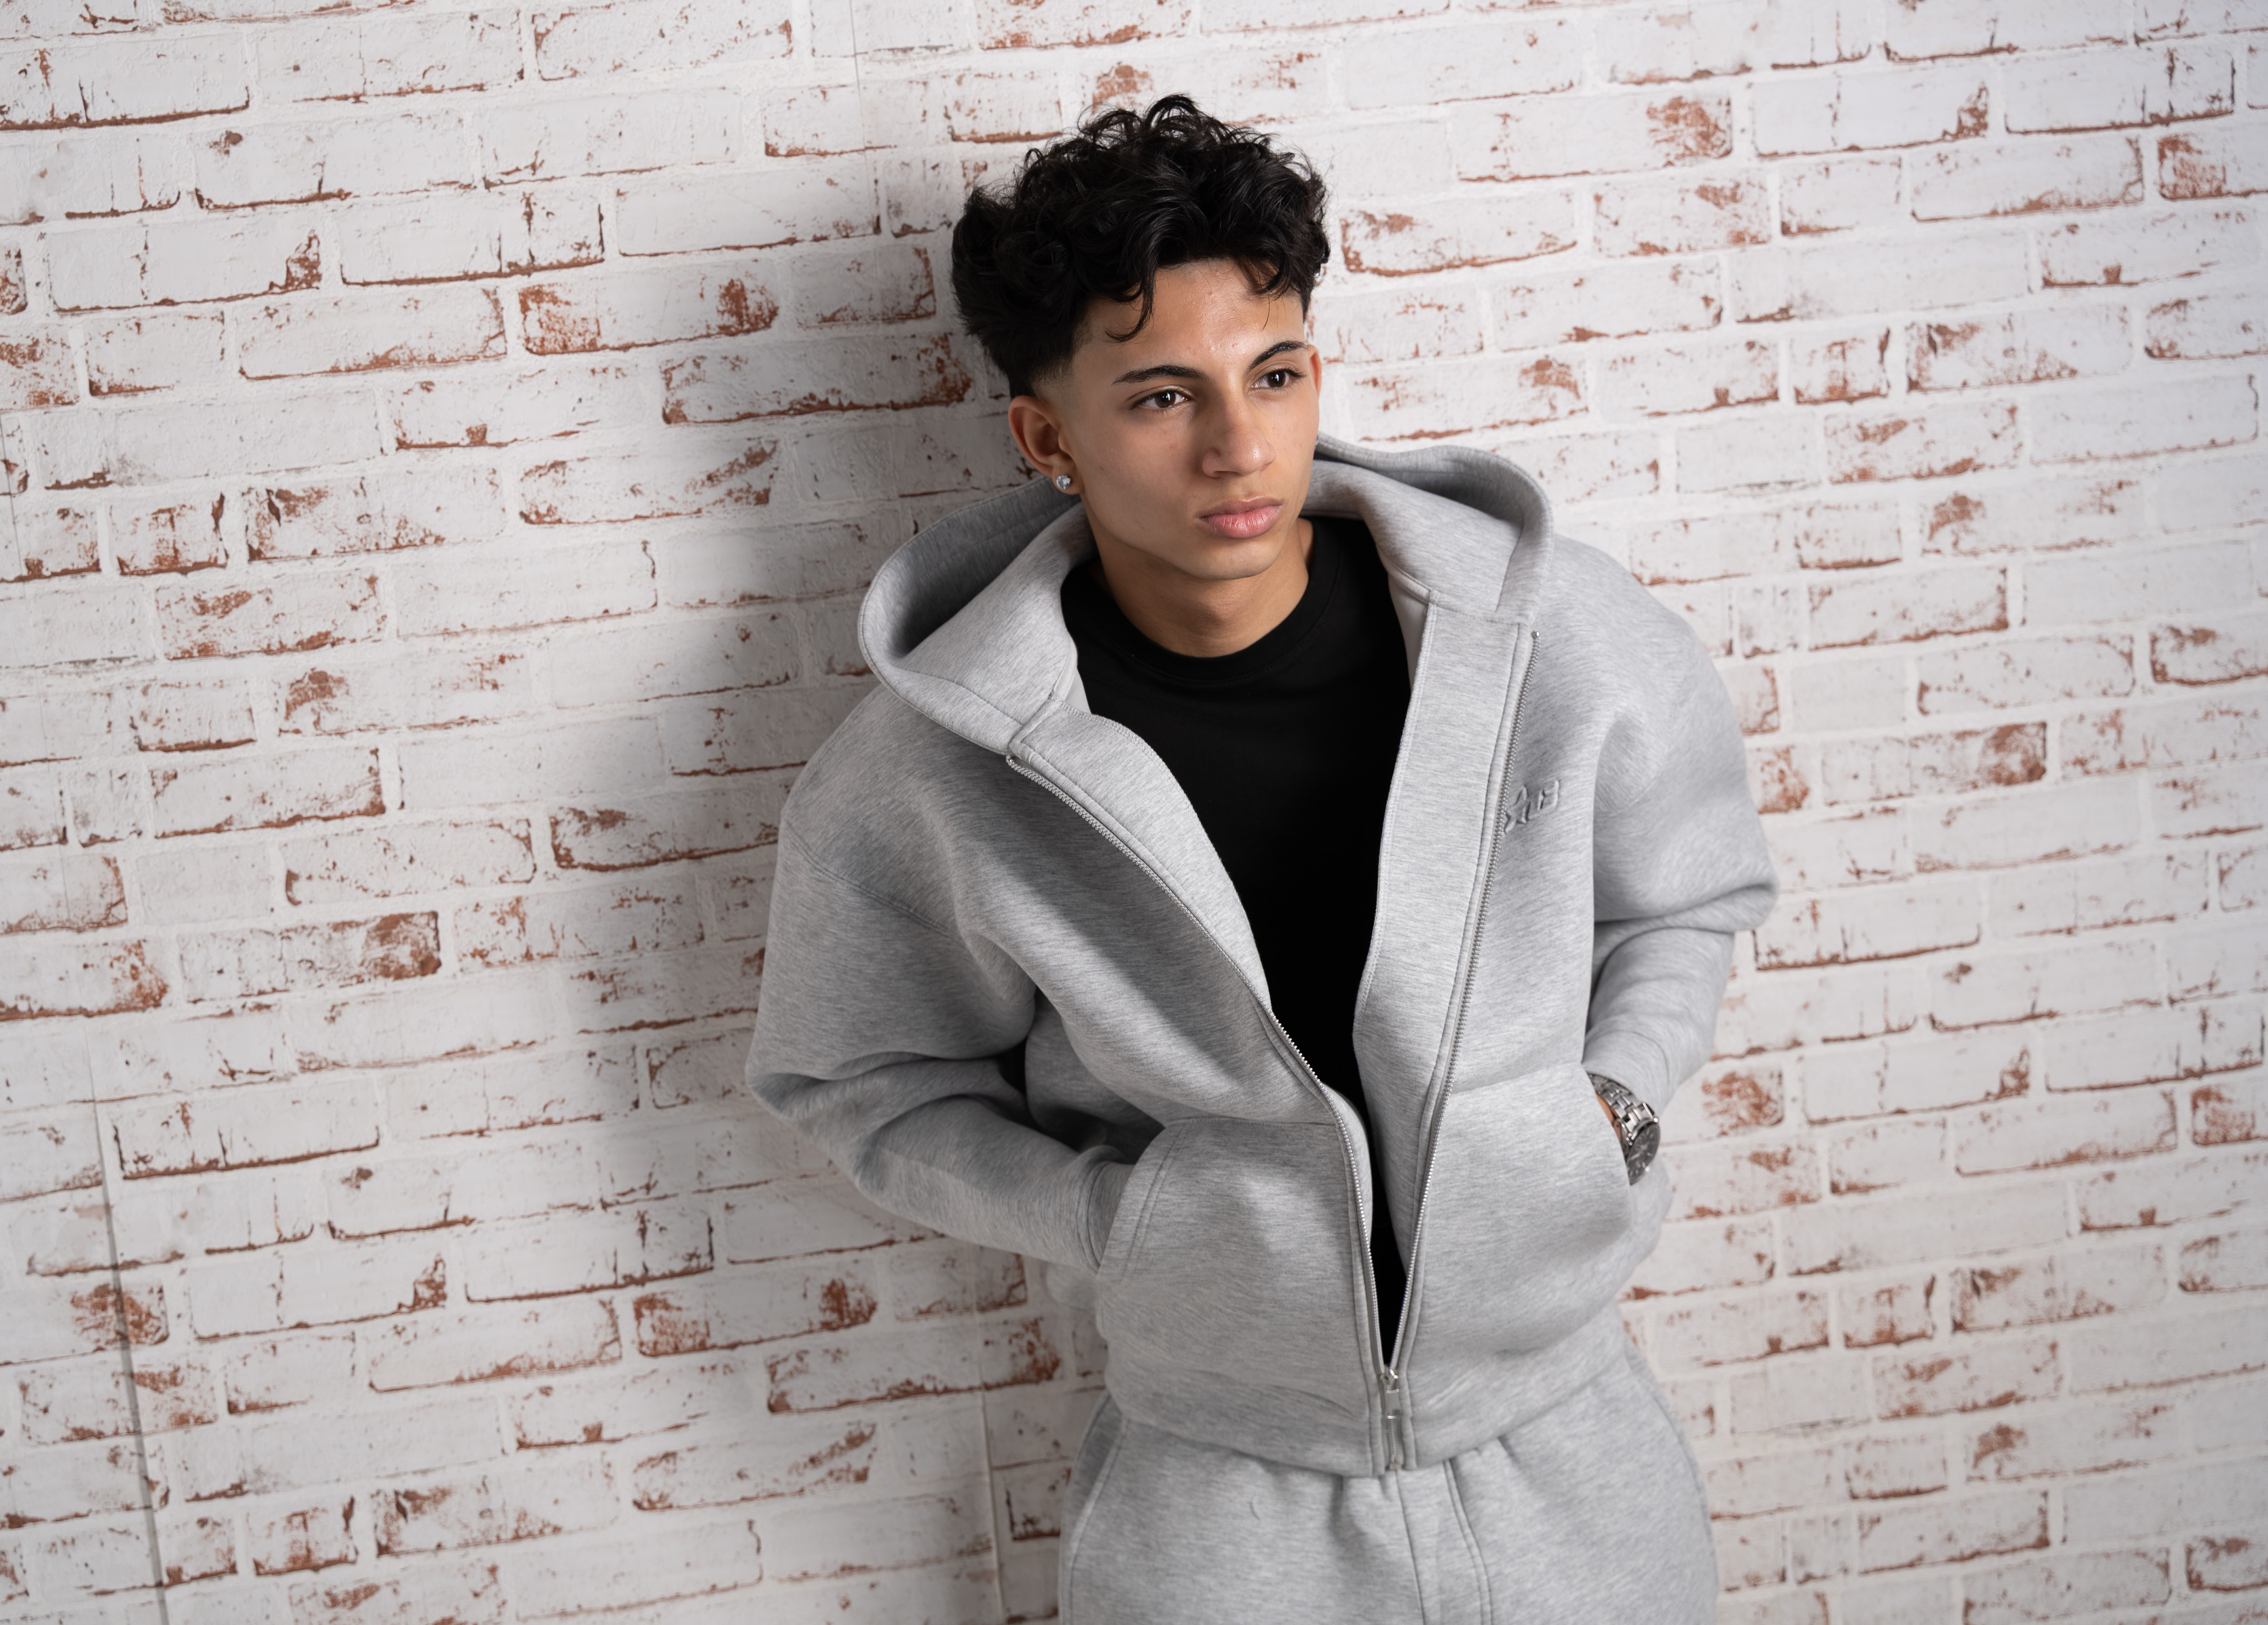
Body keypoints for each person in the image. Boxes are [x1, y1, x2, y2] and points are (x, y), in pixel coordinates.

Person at [744, 96, 1777, 1623]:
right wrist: (1125, 1224)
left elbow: (1686, 899)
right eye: (1163, 396)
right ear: (1048, 438)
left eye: (1276, 374)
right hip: (1219, 1501)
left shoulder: (1550, 640)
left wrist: (1610, 1108)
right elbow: (863, 1082)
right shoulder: (935, 773)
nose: (1241, 445)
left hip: (1573, 1455)